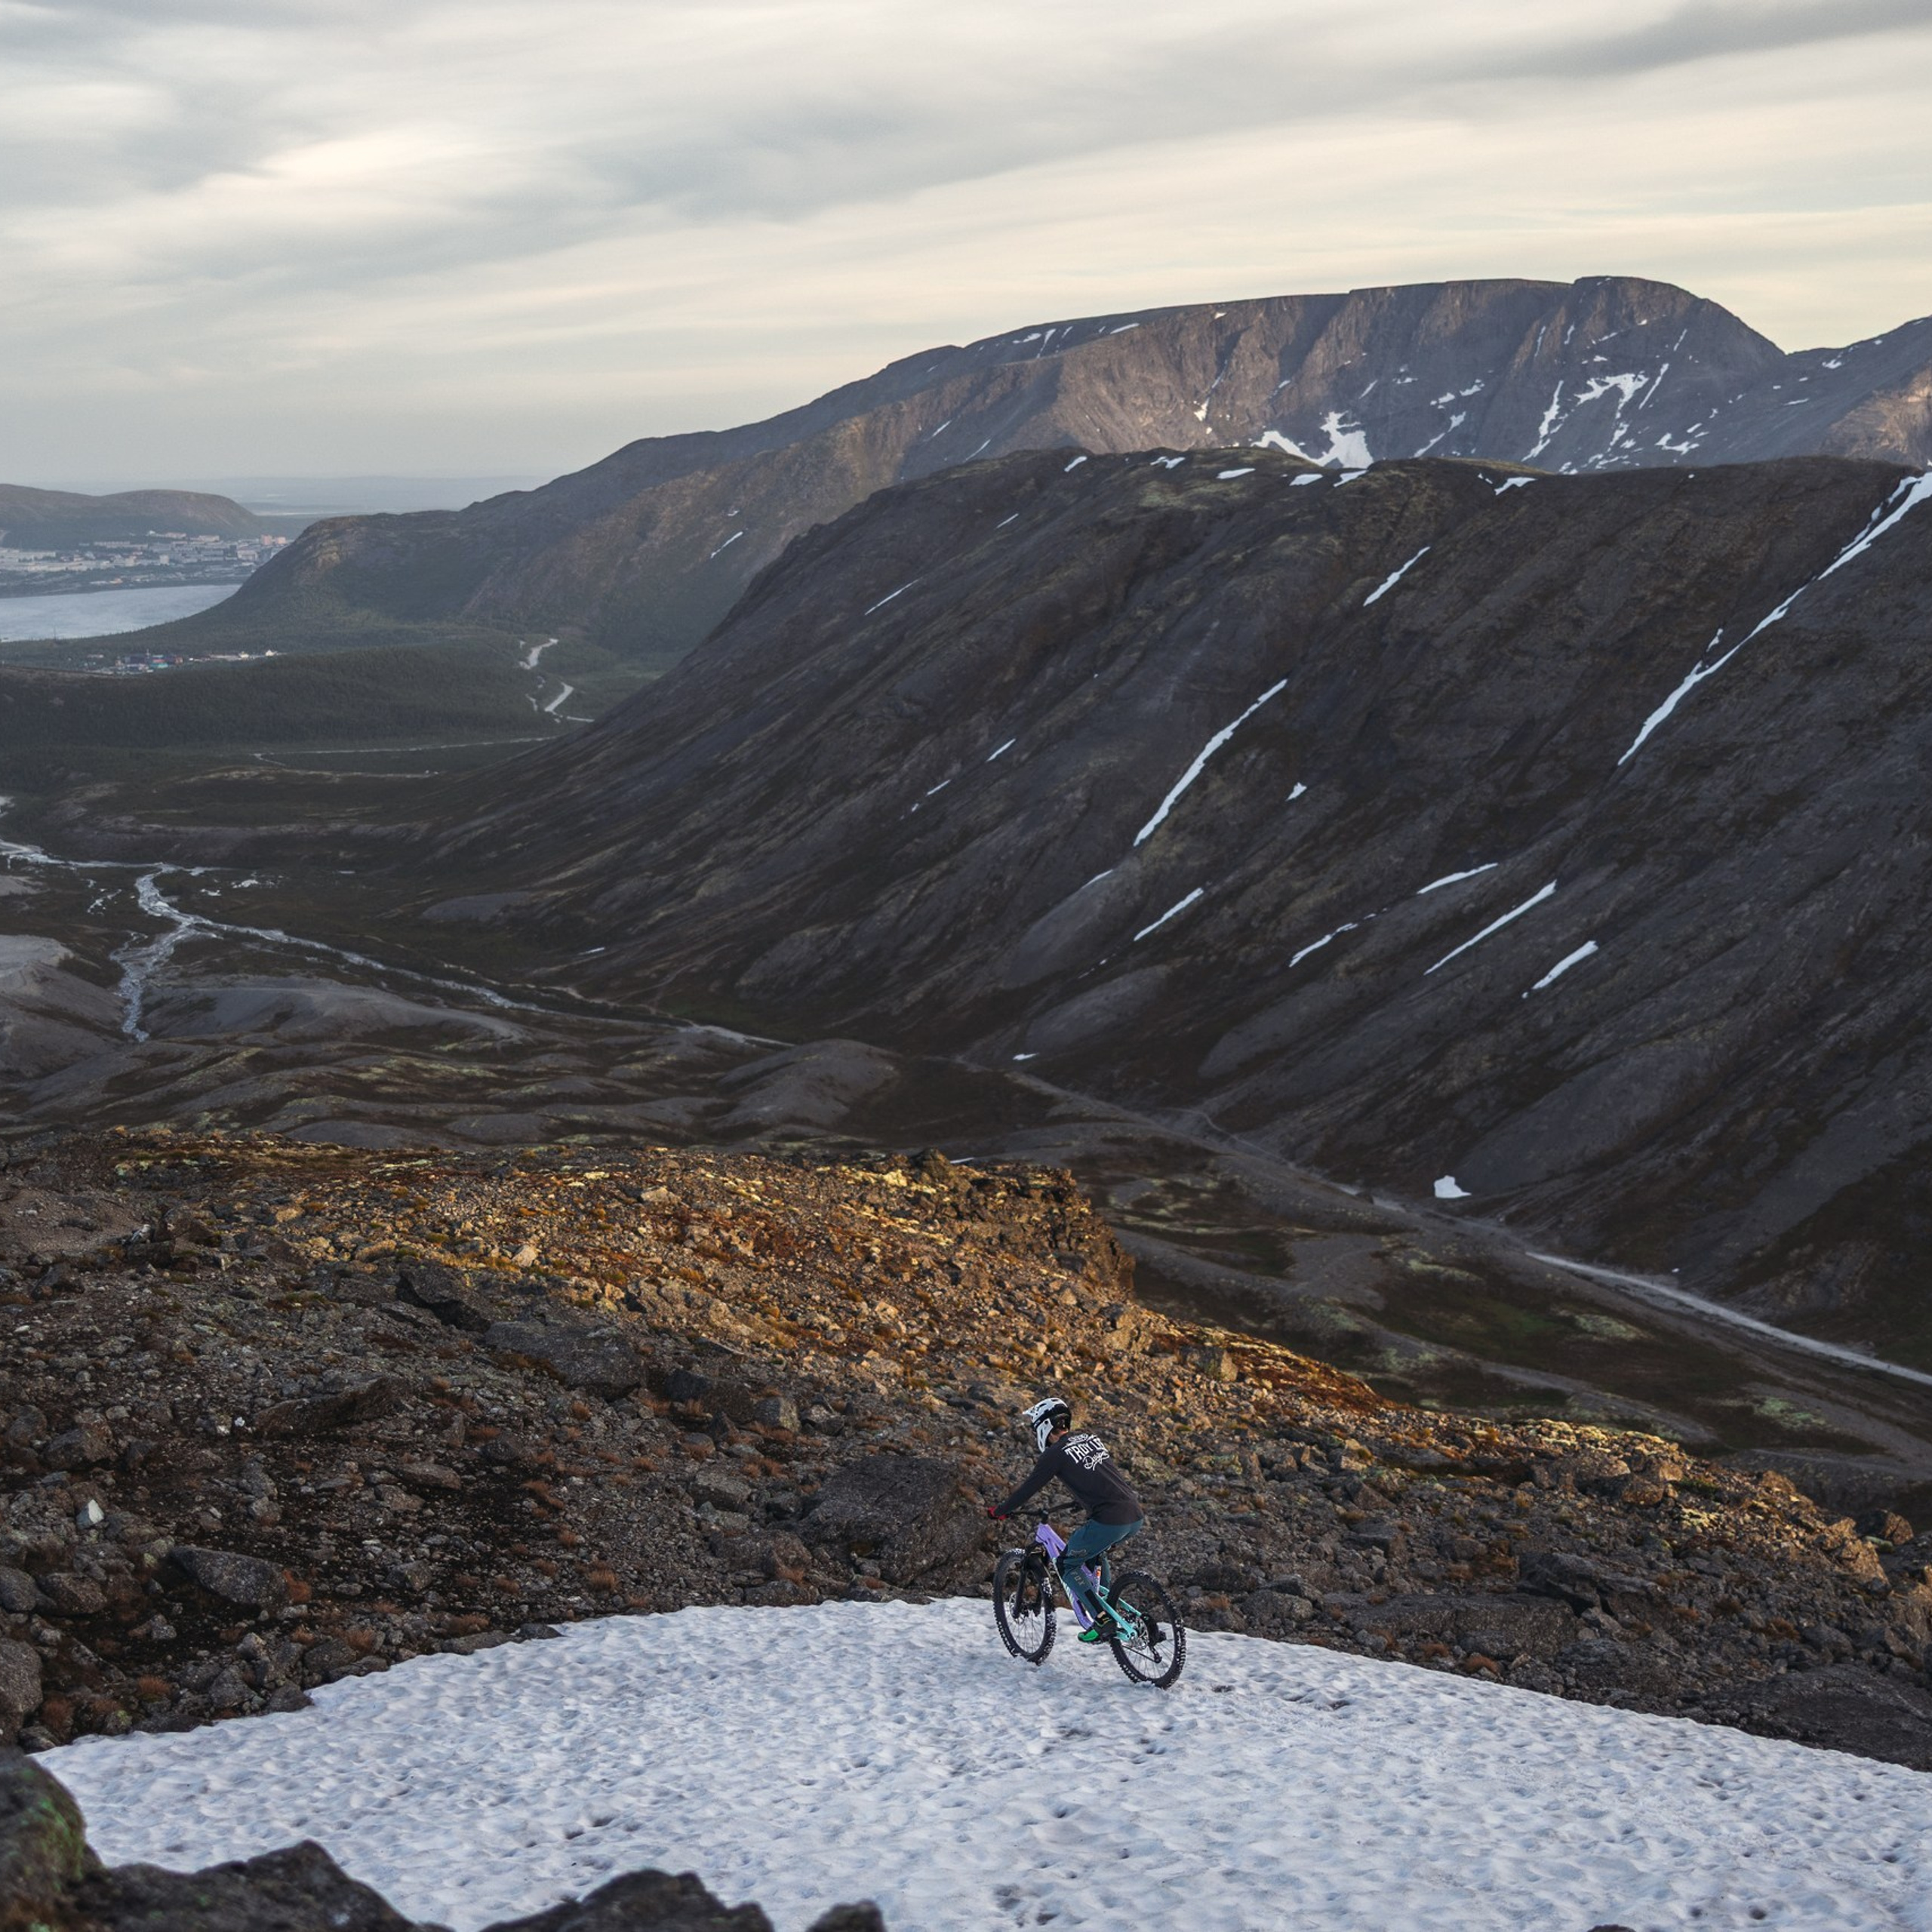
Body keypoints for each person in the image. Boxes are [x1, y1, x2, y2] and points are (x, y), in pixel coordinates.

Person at [989, 1395, 1145, 1643]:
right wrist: (1082, 1501)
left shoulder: (1055, 1454)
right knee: (1093, 1552)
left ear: (1045, 1427)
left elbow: (1028, 1489)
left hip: (1110, 1521)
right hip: (1134, 1515)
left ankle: (1102, 1619)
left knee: (1067, 1564)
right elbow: (1098, 1475)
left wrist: (1000, 1510)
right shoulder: (1090, 1439)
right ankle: (1107, 1604)